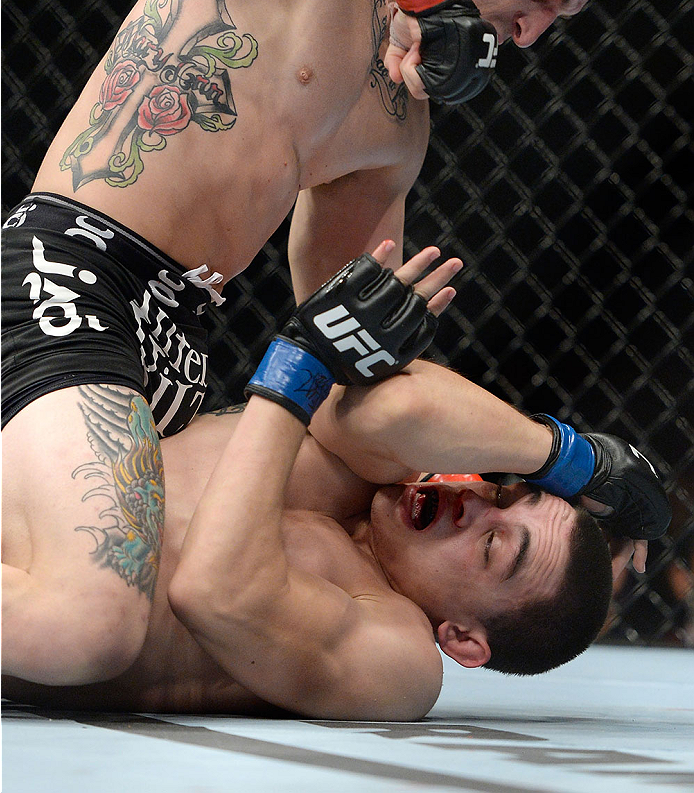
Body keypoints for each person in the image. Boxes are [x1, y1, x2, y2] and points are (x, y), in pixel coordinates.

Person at [1, 0, 636, 687]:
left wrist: (567, 460)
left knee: (304, 486)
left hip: (173, 350)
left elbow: (349, 368)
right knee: (86, 623)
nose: (531, 35)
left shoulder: (398, 127)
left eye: (558, 22)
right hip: (75, 268)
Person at [2, 244, 669, 718]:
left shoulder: (397, 658)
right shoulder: (365, 470)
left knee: (90, 626)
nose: (468, 504)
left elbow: (214, 592)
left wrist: (300, 365)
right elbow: (395, 407)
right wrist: (571, 459)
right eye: (499, 490)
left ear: (465, 638)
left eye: (494, 548)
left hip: (37, 609)